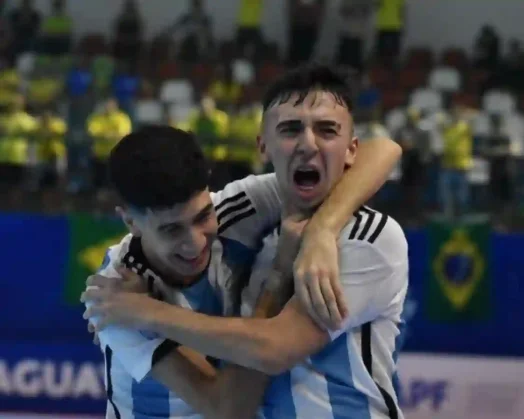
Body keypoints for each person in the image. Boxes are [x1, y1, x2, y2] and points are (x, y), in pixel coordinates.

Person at [83, 65, 408, 418]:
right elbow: (229, 408)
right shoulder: (115, 293)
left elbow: (385, 148)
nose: (194, 244)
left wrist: (322, 231)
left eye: (202, 217)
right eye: (171, 231)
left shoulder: (361, 234)